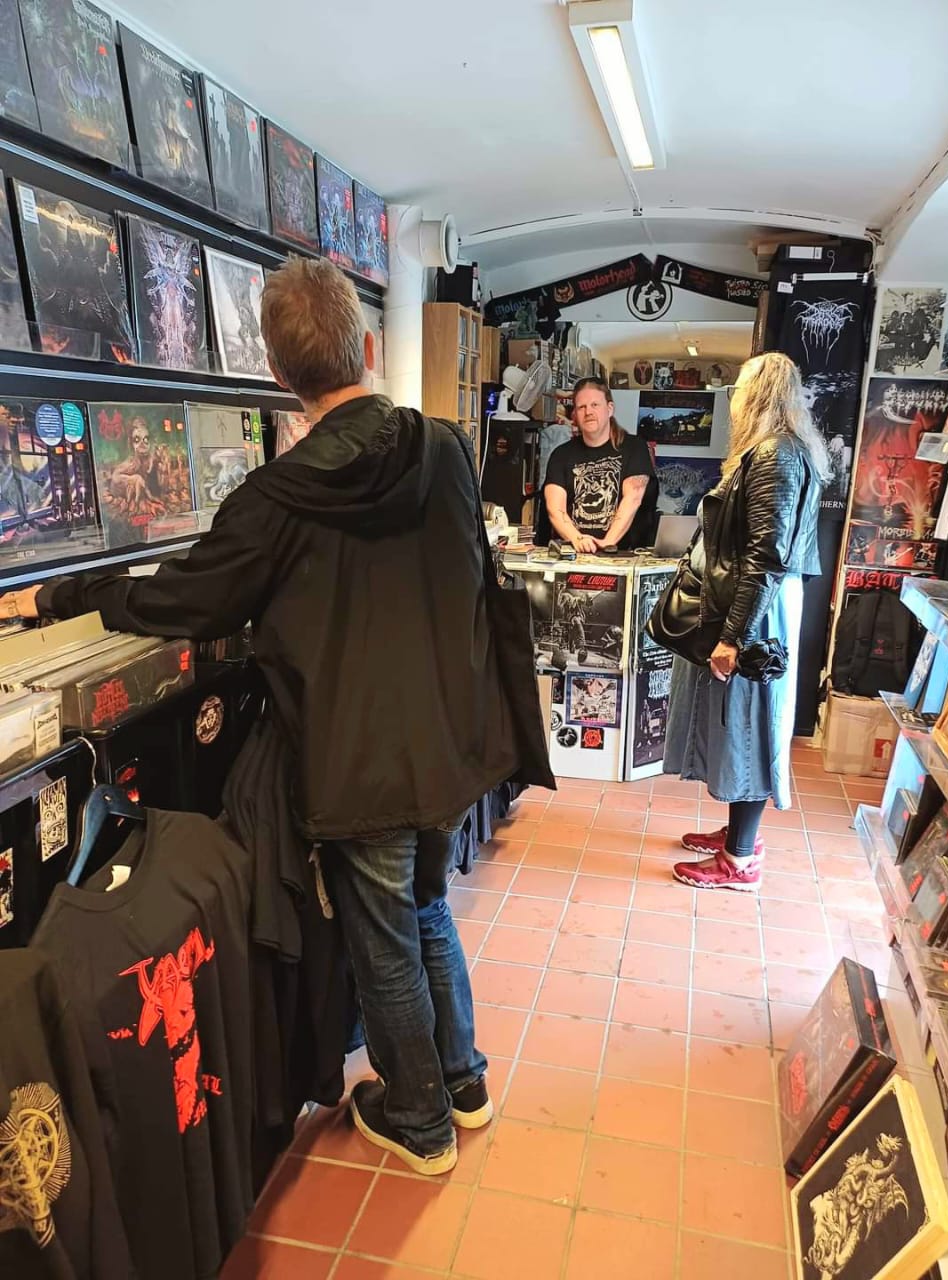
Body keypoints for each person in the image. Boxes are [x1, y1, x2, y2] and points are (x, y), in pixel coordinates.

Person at [0, 256, 552, 1177]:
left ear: (277, 373)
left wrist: (64, 596)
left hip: (362, 761)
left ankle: (420, 1119)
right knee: (425, 907)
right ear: (366, 347)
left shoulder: (275, 497)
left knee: (384, 939)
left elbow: (185, 600)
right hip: (454, 742)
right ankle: (461, 1082)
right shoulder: (448, 450)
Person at [663, 351, 829, 891]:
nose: (733, 397)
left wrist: (733, 636)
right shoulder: (779, 449)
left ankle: (740, 860)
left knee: (751, 724)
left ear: (758, 394)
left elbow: (766, 556)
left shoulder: (776, 454)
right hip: (761, 602)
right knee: (739, 722)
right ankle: (740, 832)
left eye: (739, 387)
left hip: (759, 610)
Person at [544, 377, 659, 553]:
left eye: (595, 405)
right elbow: (555, 508)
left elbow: (633, 498)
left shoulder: (634, 448)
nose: (588, 412)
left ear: (609, 408)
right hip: (575, 554)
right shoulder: (561, 455)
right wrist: (578, 540)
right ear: (575, 414)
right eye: (581, 407)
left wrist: (607, 543)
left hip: (623, 554)